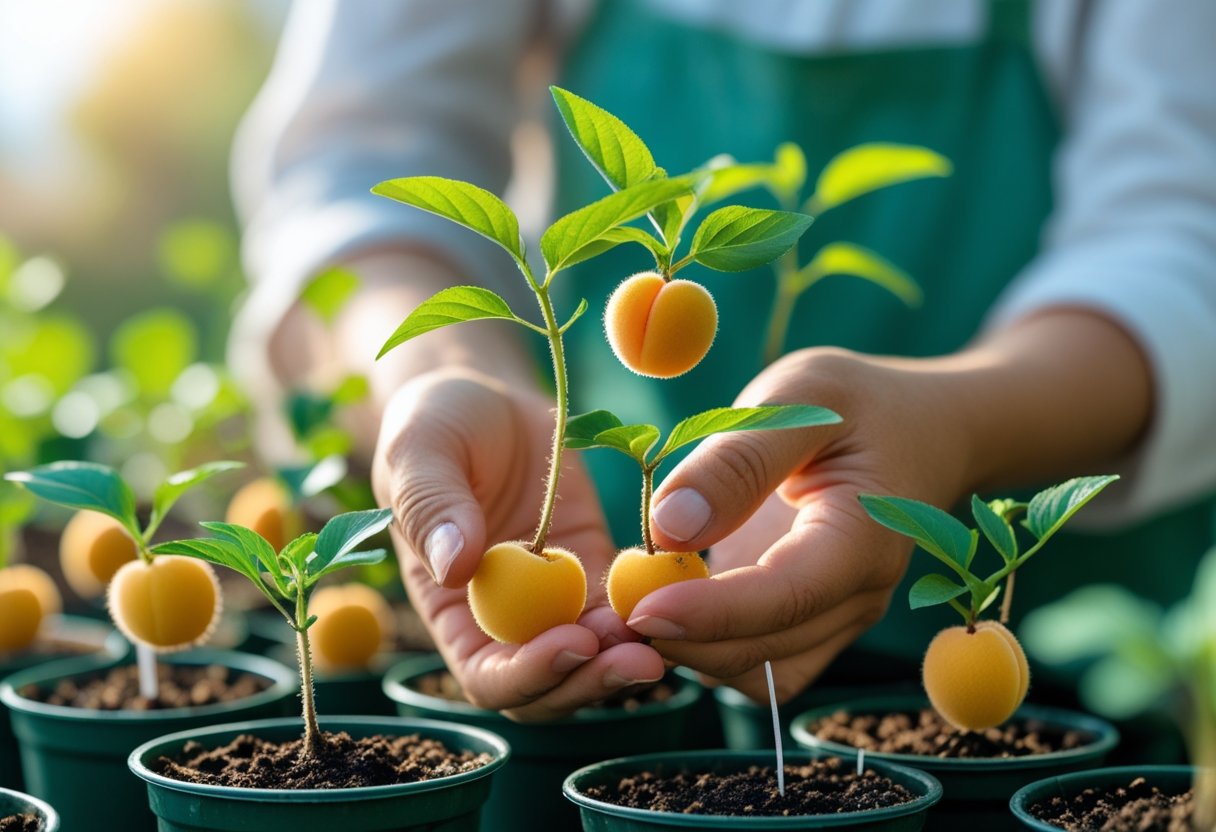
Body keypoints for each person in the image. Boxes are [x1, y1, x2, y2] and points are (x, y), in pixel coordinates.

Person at [228, 0, 1216, 722]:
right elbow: (356, 173)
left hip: (1074, 644)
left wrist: (955, 423)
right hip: (613, 595)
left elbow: (1183, 228)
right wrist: (441, 371)